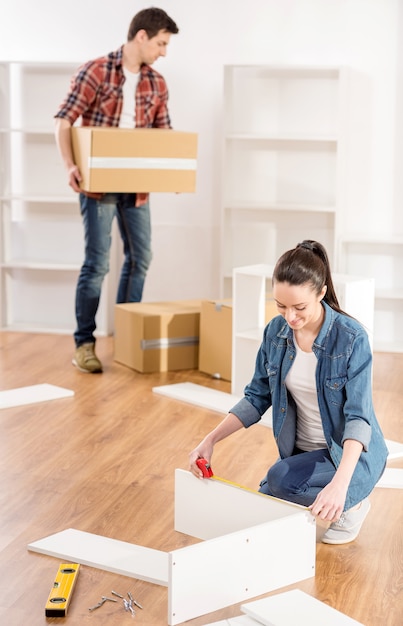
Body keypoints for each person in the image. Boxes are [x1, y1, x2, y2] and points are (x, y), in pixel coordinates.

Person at [189, 240, 388, 545]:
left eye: (299, 307)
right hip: (308, 455)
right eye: (281, 306)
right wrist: (209, 440)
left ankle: (354, 503)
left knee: (281, 481)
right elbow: (256, 396)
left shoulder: (351, 338)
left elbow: (358, 418)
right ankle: (325, 490)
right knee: (266, 494)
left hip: (349, 456)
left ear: (321, 293)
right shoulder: (275, 333)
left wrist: (340, 485)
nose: (290, 318)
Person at [54, 7, 179, 373]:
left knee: (141, 257)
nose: (163, 52)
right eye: (161, 43)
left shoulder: (157, 83)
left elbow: (165, 137)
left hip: (136, 187)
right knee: (97, 264)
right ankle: (84, 343)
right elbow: (64, 119)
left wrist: (172, 173)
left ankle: (127, 337)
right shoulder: (95, 71)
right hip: (98, 187)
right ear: (141, 36)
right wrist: (69, 166)